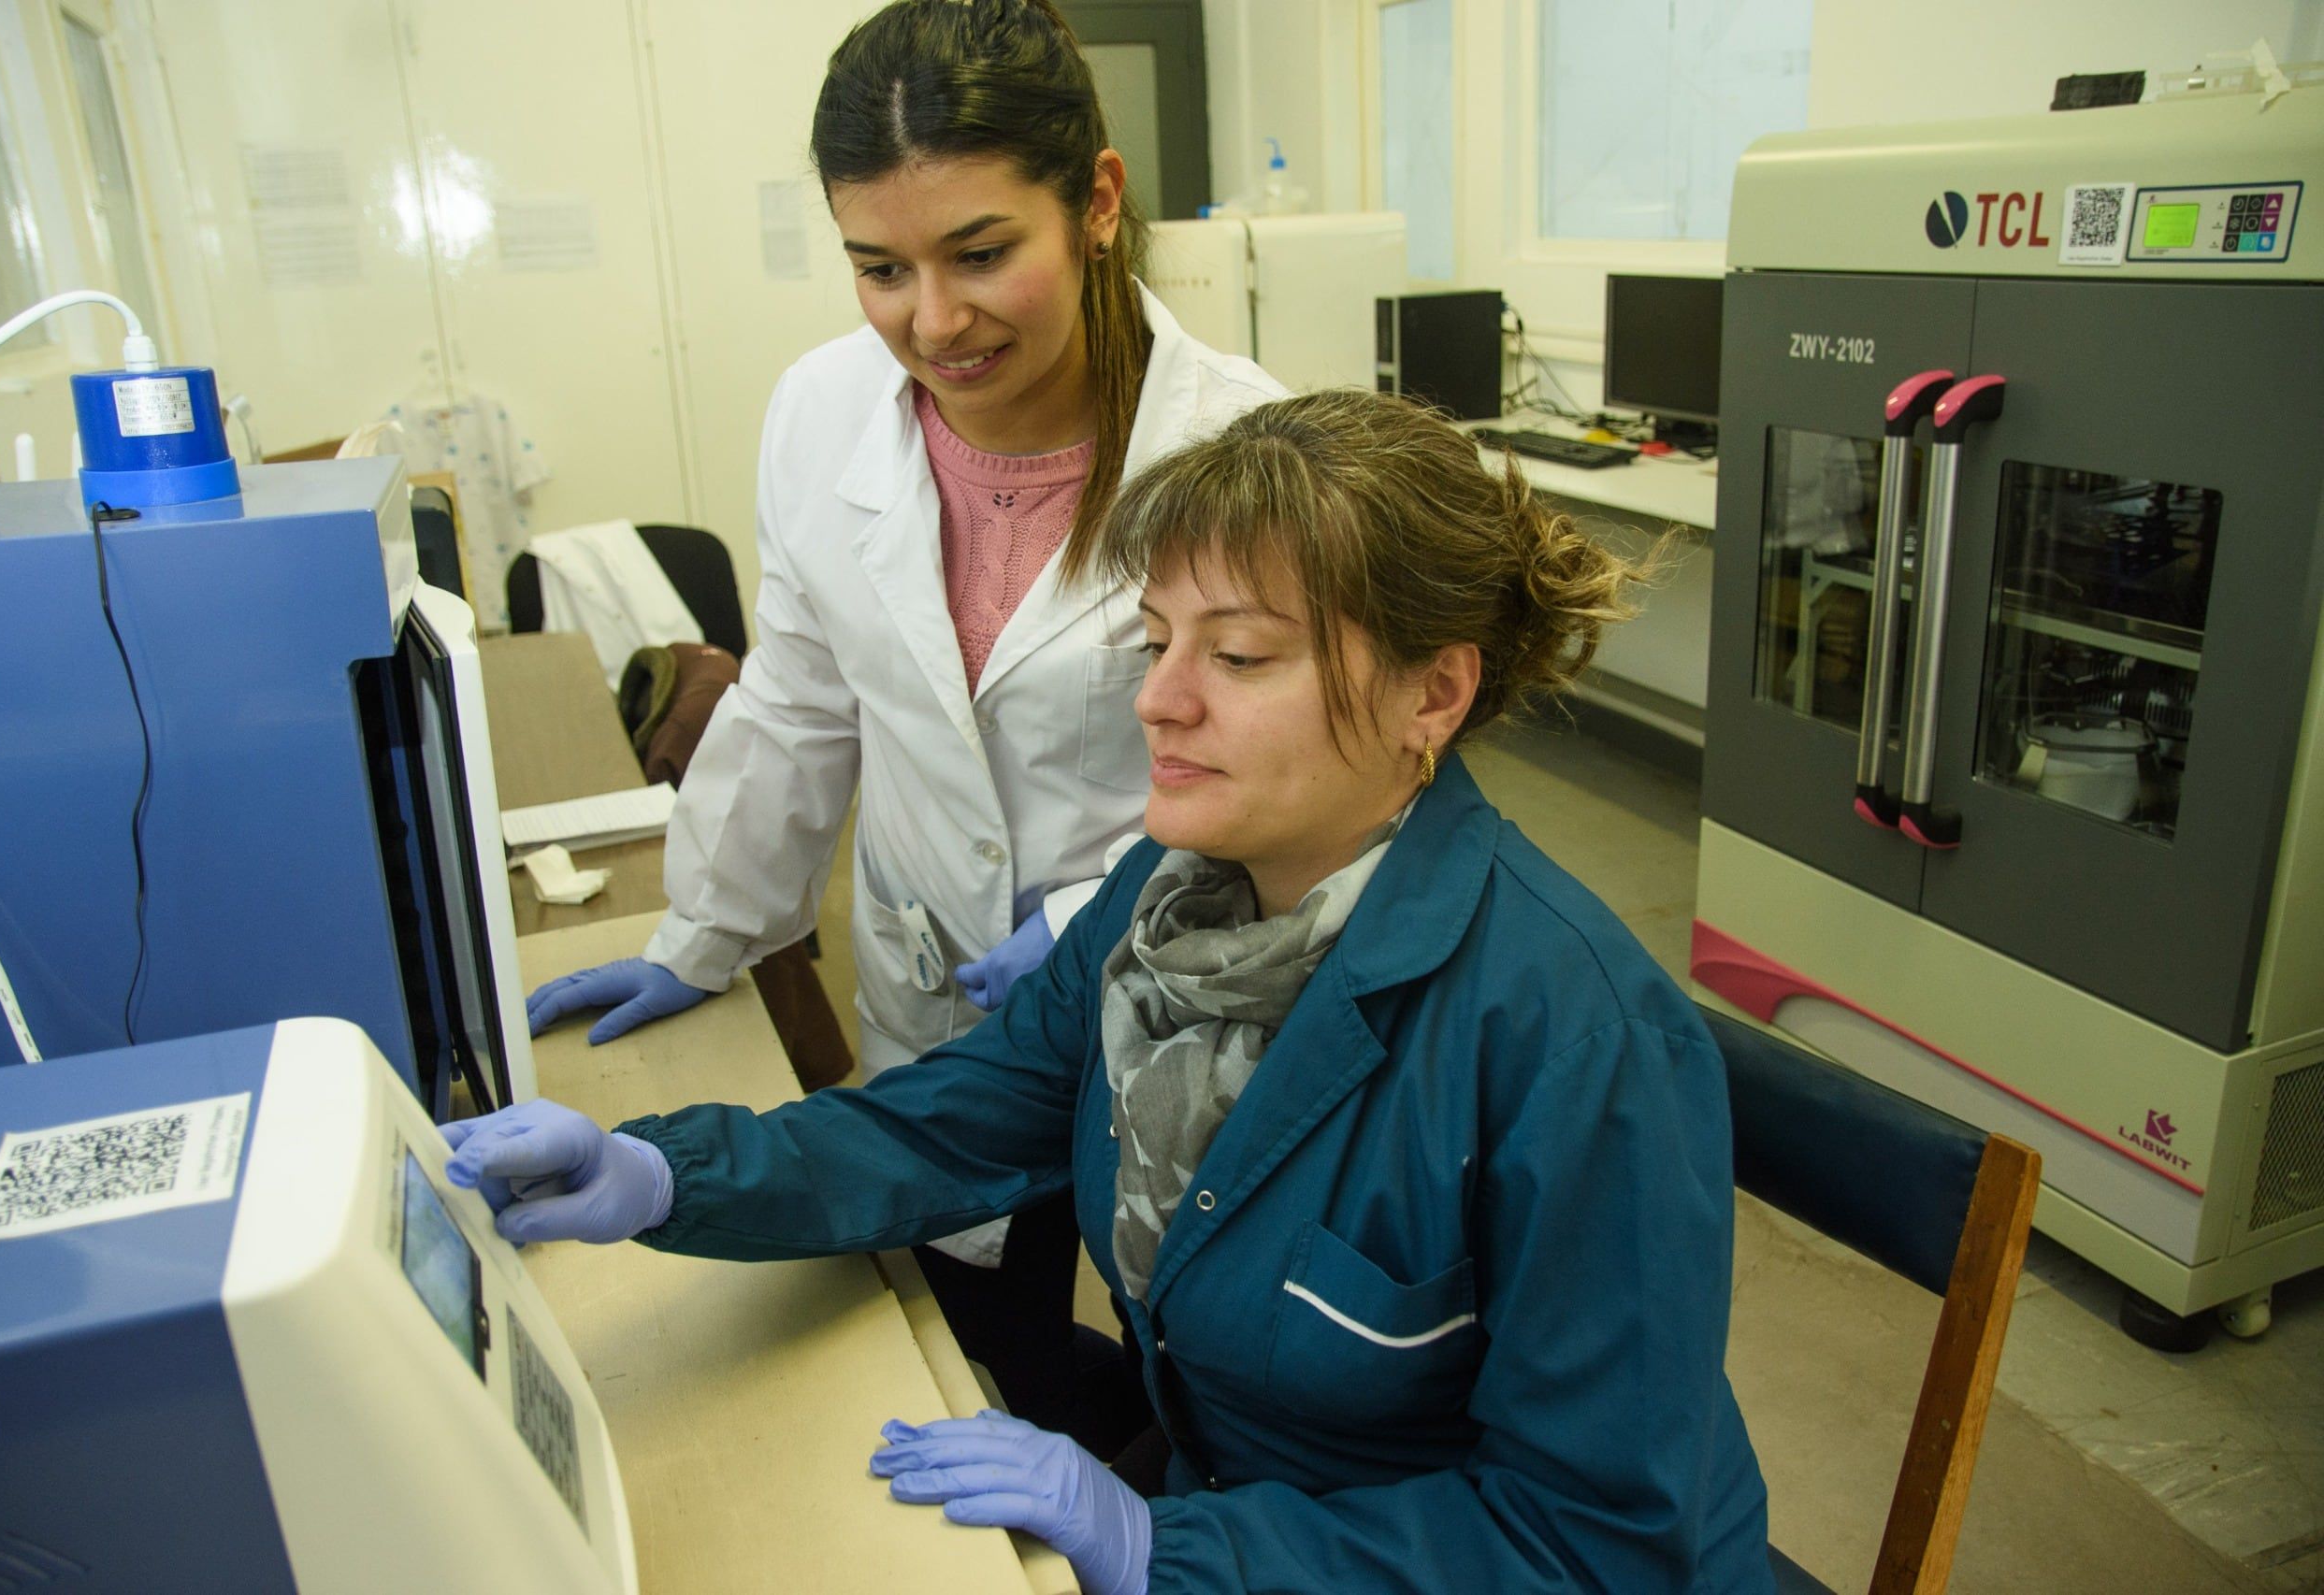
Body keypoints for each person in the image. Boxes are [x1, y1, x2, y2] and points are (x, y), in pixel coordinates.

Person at [445, 387, 1774, 1593]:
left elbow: (1591, 1545)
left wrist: (1165, 1549)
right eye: (1153, 642)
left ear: (1433, 692)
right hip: (1236, 1504)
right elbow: (955, 1124)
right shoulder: (1166, 895)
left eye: (1238, 658)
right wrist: (663, 1173)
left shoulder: (1579, 1045)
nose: (1160, 701)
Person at [520, 0, 1281, 1439]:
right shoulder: (821, 411)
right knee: (976, 1318)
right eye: (881, 267)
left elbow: (1298, 784)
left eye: (982, 254)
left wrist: (1091, 920)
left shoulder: (1243, 448)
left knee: (1197, 1349)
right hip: (932, 980)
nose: (932, 321)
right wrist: (707, 927)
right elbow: (800, 697)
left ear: (1097, 202)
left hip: (1179, 975)